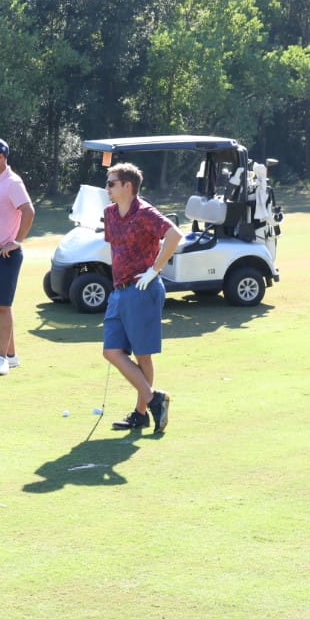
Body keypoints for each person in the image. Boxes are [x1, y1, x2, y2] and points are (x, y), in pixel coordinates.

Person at [102, 162, 183, 434]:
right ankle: (153, 399)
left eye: (112, 183)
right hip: (119, 291)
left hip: (142, 289)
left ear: (128, 186)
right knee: (111, 351)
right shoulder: (110, 214)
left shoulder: (145, 213)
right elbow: (115, 249)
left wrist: (155, 270)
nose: (107, 188)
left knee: (142, 355)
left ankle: (141, 414)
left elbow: (174, 235)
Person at [0, 137, 35, 376]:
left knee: (4, 307)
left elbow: (29, 211)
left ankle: (2, 358)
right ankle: (11, 356)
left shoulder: (13, 182)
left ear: (1, 157)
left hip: (5, 255)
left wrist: (17, 241)